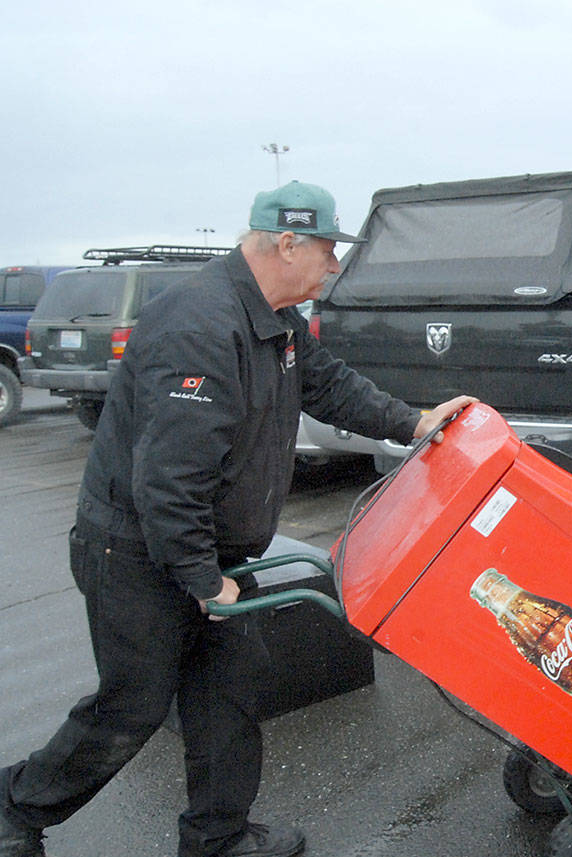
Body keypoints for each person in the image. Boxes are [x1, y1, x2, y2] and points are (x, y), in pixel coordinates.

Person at [0, 181, 476, 857]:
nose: (333, 267)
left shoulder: (274, 319)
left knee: (226, 692)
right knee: (132, 707)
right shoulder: (200, 327)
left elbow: (329, 383)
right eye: (326, 251)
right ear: (286, 243)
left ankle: (217, 836)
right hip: (137, 553)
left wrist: (412, 422)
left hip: (209, 550)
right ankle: (16, 806)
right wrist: (201, 580)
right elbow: (168, 480)